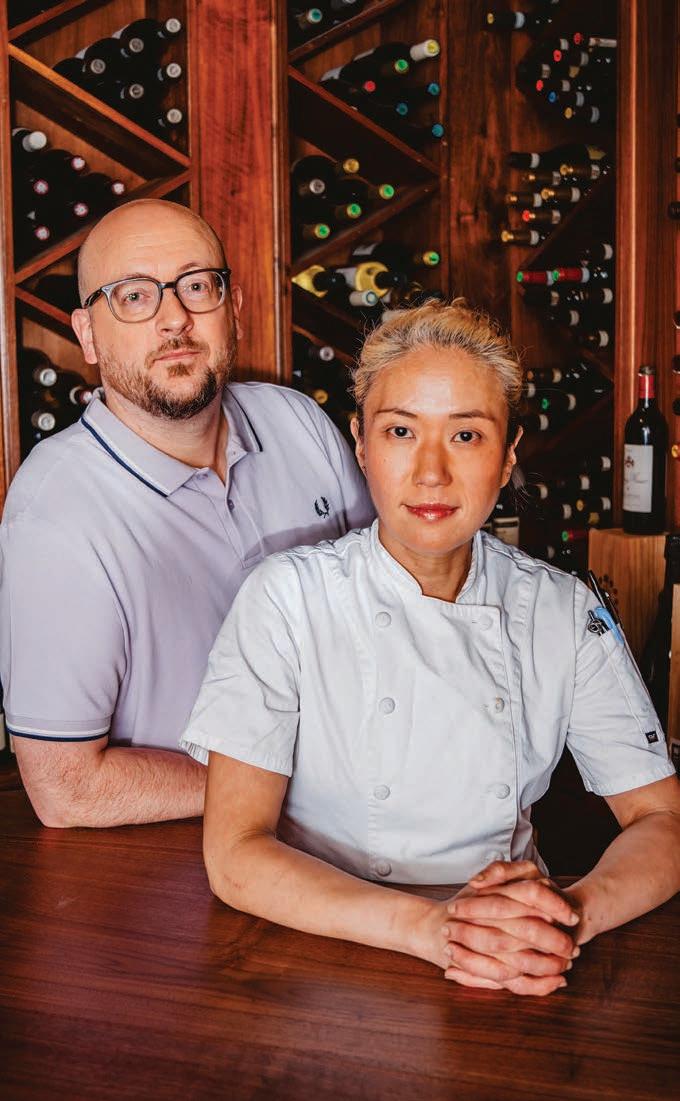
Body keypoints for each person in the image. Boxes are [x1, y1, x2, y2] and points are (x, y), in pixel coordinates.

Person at [181, 300, 680, 996]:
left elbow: (661, 819)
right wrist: (431, 929)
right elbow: (234, 854)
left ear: (508, 457)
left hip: (515, 966)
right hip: (329, 960)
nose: (431, 472)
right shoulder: (286, 599)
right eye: (400, 431)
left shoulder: (563, 611)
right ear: (361, 445)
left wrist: (562, 918)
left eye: (467, 435)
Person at [0, 199, 373, 829]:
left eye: (197, 286)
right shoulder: (56, 514)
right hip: (178, 860)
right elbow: (66, 789)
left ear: (234, 308)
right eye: (134, 296)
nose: (174, 319)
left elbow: (388, 611)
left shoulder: (300, 423)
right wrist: (295, 784)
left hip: (365, 823)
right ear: (88, 335)